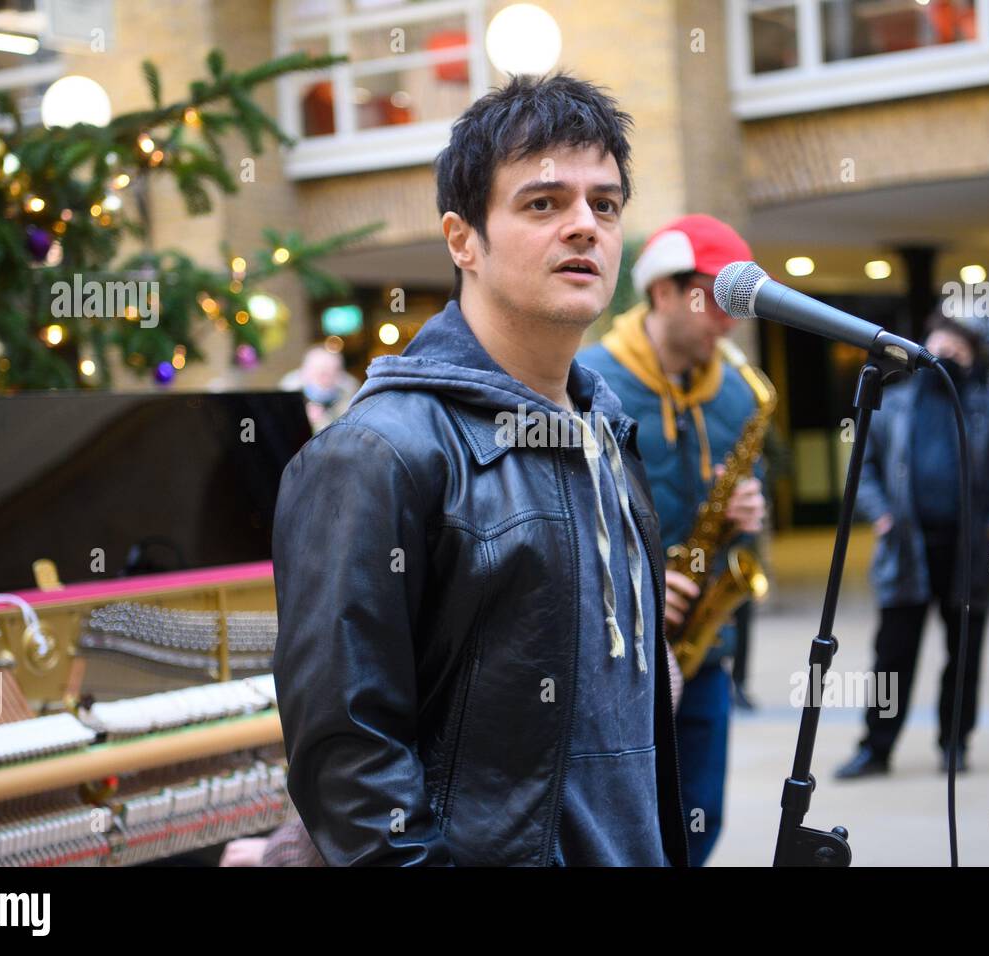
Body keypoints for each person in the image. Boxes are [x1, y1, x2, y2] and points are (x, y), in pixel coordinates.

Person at [272, 73, 689, 866]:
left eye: (604, 205)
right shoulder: (378, 453)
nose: (584, 227)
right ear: (462, 238)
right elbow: (347, 761)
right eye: (543, 204)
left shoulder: (607, 436)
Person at [577, 214, 768, 866]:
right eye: (717, 295)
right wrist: (643, 584)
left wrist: (748, 509)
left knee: (700, 815)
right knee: (625, 825)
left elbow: (746, 499)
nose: (730, 317)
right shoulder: (587, 383)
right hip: (619, 648)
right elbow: (569, 519)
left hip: (704, 640)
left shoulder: (740, 393)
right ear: (662, 290)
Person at [834, 311, 989, 779]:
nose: (946, 356)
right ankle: (876, 748)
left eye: (958, 350)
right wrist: (882, 516)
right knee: (892, 656)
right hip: (907, 552)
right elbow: (863, 468)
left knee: (963, 654)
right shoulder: (894, 405)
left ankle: (955, 743)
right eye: (938, 346)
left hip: (968, 552)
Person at [279, 345, 360, 434]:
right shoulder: (288, 398)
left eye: (329, 371)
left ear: (339, 373)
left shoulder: (351, 402)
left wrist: (323, 421)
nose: (322, 377)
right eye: (316, 370)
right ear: (304, 371)